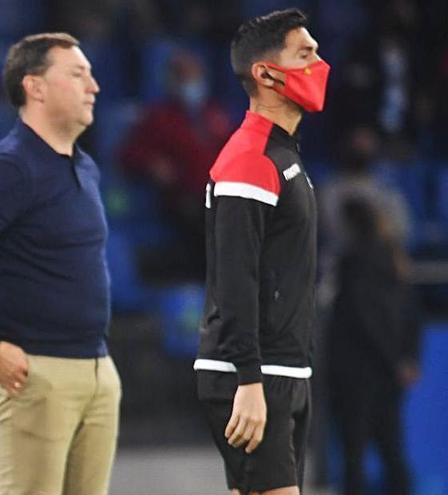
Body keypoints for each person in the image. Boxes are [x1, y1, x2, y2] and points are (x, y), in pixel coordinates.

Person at [0, 33, 121, 495]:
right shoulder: (12, 166)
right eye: (77, 74)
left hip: (96, 369)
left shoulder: (85, 167)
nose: (93, 86)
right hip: (35, 375)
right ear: (35, 87)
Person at [194, 9, 328, 495]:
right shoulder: (250, 158)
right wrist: (249, 380)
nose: (319, 64)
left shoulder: (282, 154)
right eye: (305, 54)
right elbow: (235, 277)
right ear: (266, 73)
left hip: (282, 370)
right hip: (253, 375)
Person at [326, 198, 421, 495]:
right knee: (391, 447)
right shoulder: (395, 259)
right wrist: (405, 359)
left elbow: (362, 317)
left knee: (354, 452)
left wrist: (395, 359)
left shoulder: (353, 261)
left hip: (357, 372)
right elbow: (411, 315)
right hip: (387, 372)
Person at [119, 48, 233, 280]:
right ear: (172, 81)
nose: (191, 82)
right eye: (184, 76)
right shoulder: (158, 117)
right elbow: (127, 154)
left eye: (195, 75)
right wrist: (152, 163)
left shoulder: (215, 115)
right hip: (182, 197)